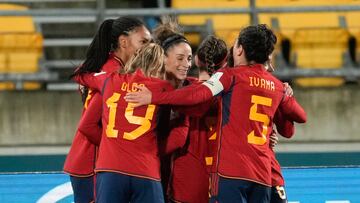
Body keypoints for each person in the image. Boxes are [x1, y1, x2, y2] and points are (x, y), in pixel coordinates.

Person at [125, 24, 307, 202]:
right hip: (262, 174)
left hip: (227, 173)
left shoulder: (229, 77)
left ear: (239, 50)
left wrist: (155, 97)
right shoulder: (276, 86)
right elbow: (298, 120)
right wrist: (283, 100)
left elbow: (199, 95)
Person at [63, 16, 151, 203]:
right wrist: (112, 146)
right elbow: (87, 125)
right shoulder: (114, 74)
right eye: (143, 42)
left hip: (88, 160)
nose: (149, 48)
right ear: (123, 41)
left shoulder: (104, 67)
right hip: (94, 162)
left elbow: (82, 73)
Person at [73, 43, 172, 203]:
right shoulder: (163, 88)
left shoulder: (109, 80)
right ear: (159, 65)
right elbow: (163, 128)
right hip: (146, 170)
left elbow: (80, 74)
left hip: (110, 168)